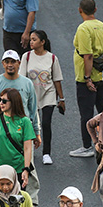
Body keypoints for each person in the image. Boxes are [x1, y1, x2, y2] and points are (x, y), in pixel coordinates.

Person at [69, 0, 103, 158]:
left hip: (87, 78)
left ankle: (88, 146)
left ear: (80, 10)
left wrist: (87, 78)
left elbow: (88, 56)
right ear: (95, 9)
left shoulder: (83, 29)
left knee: (86, 114)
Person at [19, 31, 64, 165]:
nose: (31, 42)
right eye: (31, 39)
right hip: (31, 95)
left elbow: (57, 80)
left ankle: (46, 153)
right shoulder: (26, 57)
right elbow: (22, 78)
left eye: (34, 39)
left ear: (42, 42)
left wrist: (61, 99)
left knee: (45, 123)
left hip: (48, 94)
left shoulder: (52, 58)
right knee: (29, 124)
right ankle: (27, 150)